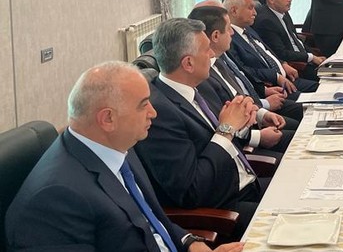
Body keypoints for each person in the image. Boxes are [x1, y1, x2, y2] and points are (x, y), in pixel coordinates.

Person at [5, 61, 243, 252]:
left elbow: (151, 219)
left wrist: (190, 242)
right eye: (143, 105)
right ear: (108, 119)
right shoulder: (55, 199)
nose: (153, 113)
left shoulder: (116, 146)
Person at [135, 18, 265, 238]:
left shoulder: (198, 86)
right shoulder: (159, 115)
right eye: (206, 50)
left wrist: (243, 119)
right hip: (225, 209)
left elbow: (222, 133)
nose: (212, 54)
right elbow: (191, 191)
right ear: (188, 63)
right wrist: (226, 130)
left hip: (248, 183)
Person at [188, 4, 296, 153]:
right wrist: (258, 137)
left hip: (254, 118)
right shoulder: (202, 75)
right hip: (243, 142)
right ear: (216, 36)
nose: (233, 33)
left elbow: (239, 91)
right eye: (229, 28)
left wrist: (261, 115)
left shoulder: (220, 58)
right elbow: (222, 123)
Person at [225, 0, 318, 95]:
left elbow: (267, 52)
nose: (255, 13)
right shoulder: (229, 40)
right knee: (321, 94)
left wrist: (283, 64)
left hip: (287, 77)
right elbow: (244, 70)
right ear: (234, 11)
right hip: (272, 86)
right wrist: (276, 76)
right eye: (250, 8)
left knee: (324, 88)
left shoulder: (248, 29)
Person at [253, 0, 325, 79]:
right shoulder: (266, 21)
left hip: (304, 58)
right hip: (297, 66)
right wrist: (311, 57)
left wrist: (313, 55)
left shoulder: (283, 11)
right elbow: (281, 53)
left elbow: (296, 40)